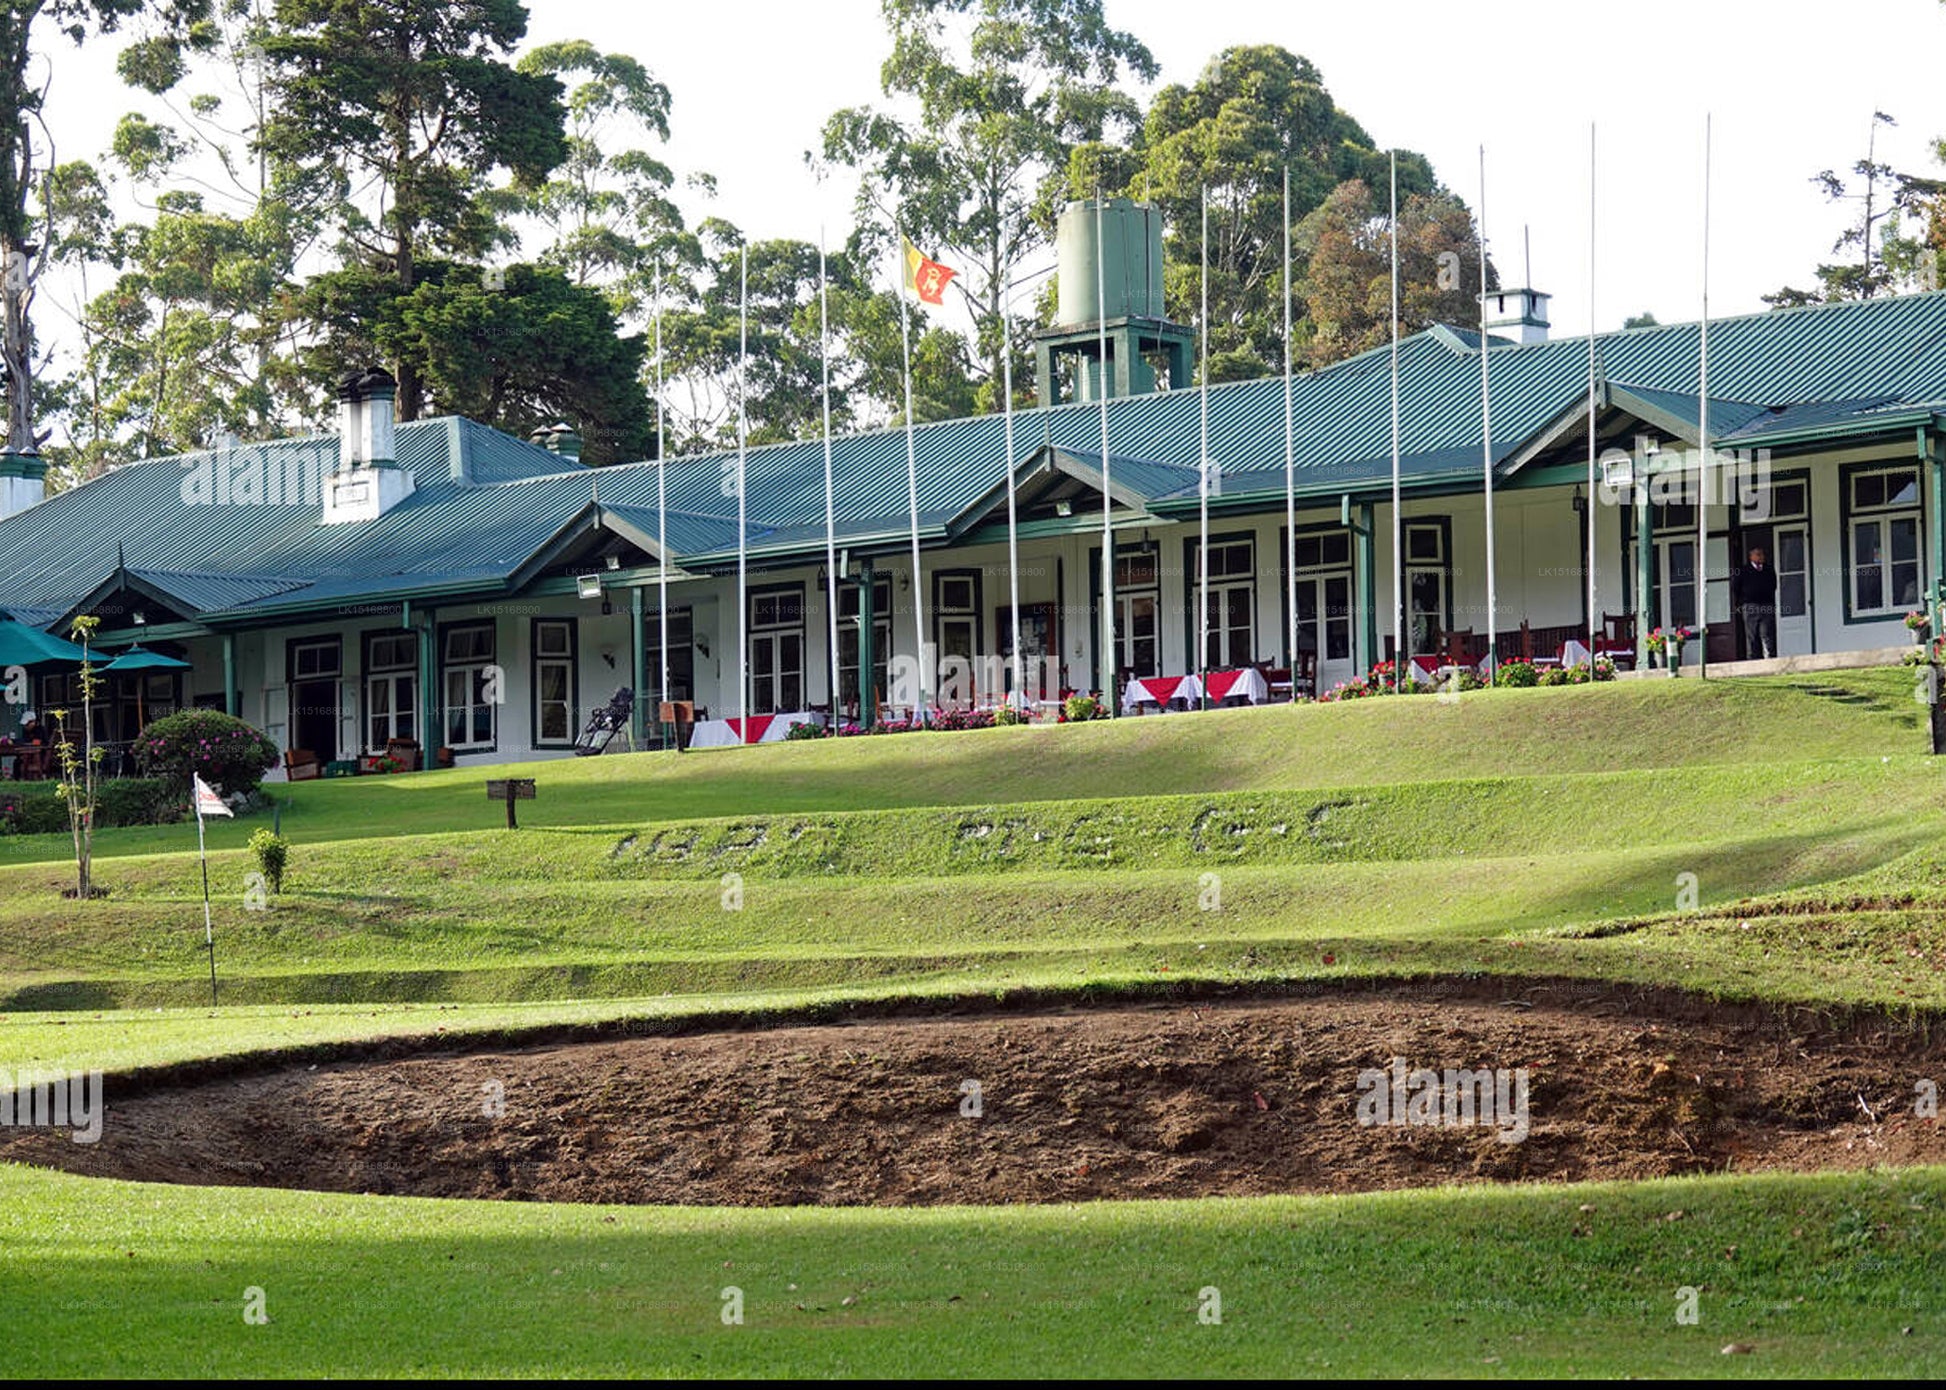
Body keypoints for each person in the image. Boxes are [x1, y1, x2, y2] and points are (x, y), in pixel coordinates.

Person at [1734, 545, 1778, 659]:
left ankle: (1769, 658)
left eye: (1762, 554)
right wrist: (1742, 602)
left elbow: (1774, 585)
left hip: (1766, 605)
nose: (1761, 557)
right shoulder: (1744, 570)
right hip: (1750, 606)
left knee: (1767, 633)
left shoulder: (1768, 569)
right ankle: (1752, 659)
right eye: (1758, 554)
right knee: (1752, 635)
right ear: (1751, 556)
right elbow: (1736, 587)